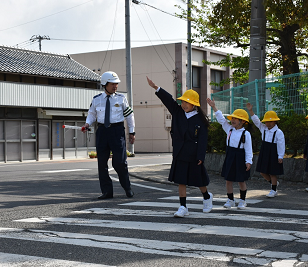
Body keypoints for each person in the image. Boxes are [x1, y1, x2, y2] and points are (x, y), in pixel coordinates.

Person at [147, 77, 213, 217]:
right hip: (180, 152)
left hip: (194, 154)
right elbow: (168, 100)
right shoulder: (177, 113)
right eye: (183, 101)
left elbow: (202, 140)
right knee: (181, 180)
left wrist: (201, 155)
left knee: (199, 180)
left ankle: (207, 197)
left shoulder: (200, 120)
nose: (183, 105)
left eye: (187, 103)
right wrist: (156, 87)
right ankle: (183, 207)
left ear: (194, 105)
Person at [82, 71, 135, 199]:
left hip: (117, 132)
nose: (115, 86)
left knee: (120, 163)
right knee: (102, 163)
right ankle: (107, 192)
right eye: (113, 84)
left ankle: (127, 187)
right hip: (102, 132)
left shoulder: (121, 99)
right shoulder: (96, 100)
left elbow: (129, 116)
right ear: (105, 84)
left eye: (116, 84)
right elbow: (92, 114)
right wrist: (87, 124)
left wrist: (132, 132)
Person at [207, 98, 252, 210]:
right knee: (228, 180)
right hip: (230, 156)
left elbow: (248, 149)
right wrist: (214, 107)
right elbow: (221, 119)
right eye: (232, 118)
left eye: (236, 118)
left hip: (240, 157)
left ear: (242, 121)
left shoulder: (246, 134)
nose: (232, 120)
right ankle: (230, 200)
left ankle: (242, 200)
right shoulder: (229, 129)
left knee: (241, 180)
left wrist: (248, 161)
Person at [246, 104, 285, 198]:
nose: (268, 123)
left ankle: (274, 190)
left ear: (275, 121)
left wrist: (280, 156)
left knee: (272, 172)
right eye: (267, 121)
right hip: (264, 151)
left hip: (273, 153)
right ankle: (273, 183)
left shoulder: (278, 132)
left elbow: (281, 145)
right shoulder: (263, 128)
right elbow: (256, 121)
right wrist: (251, 111)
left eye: (270, 121)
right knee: (262, 172)